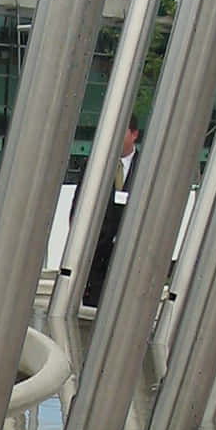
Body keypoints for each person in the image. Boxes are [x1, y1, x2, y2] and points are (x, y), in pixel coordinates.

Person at [81, 114, 141, 308]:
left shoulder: (147, 167)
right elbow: (79, 207)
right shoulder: (96, 165)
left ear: (134, 134)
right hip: (98, 254)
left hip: (132, 255)